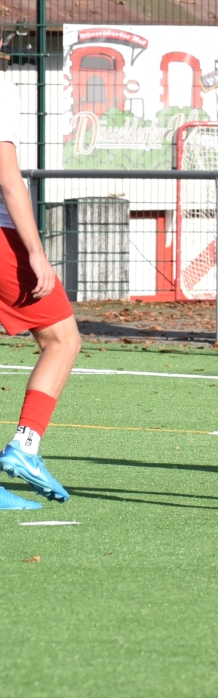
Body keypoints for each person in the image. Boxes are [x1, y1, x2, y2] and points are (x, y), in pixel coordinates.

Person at [0, 97, 82, 510]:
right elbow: (8, 179)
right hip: (3, 240)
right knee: (62, 340)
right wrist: (35, 251)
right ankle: (26, 445)